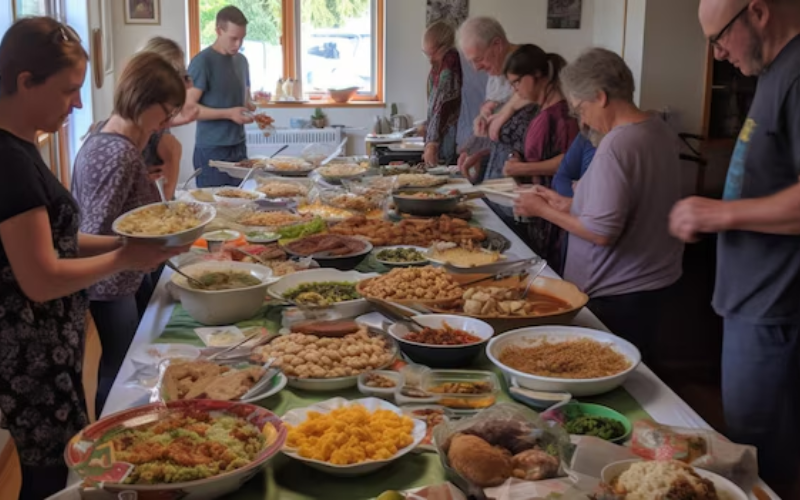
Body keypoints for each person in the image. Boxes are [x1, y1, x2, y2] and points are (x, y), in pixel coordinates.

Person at [0, 18, 185, 499]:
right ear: (25, 82)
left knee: (59, 466)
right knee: (48, 478)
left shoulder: (22, 147)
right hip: (30, 357)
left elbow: (63, 241)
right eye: (69, 90)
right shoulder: (9, 161)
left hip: (50, 350)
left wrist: (137, 248)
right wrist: (126, 258)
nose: (79, 104)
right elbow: (41, 278)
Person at [669, 0, 800, 485]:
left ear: (758, 12)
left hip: (775, 307)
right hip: (750, 300)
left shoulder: (796, 73)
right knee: (748, 445)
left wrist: (720, 213)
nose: (718, 54)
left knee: (762, 460)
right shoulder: (771, 72)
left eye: (718, 38)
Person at [514, 48, 684, 361]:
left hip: (617, 293)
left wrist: (542, 210)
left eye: (581, 109)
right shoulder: (658, 128)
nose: (583, 120)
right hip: (652, 284)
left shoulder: (617, 144)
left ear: (601, 96)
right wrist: (568, 204)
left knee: (608, 371)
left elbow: (602, 232)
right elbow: (631, 205)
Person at [72, 51, 186, 418]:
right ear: (142, 100)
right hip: (111, 283)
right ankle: (111, 430)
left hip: (119, 276)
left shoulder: (106, 134)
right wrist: (143, 244)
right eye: (165, 112)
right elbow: (91, 232)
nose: (167, 122)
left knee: (122, 363)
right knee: (120, 369)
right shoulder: (118, 154)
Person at [500, 45, 578, 272]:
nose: (515, 90)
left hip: (555, 212)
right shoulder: (540, 110)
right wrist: (516, 157)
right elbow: (531, 148)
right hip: (538, 211)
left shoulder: (562, 116)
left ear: (536, 75)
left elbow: (567, 161)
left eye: (516, 82)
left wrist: (522, 169)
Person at [187, 5, 255, 187]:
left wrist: (252, 110)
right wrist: (229, 114)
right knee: (214, 203)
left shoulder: (242, 61)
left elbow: (246, 101)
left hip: (239, 147)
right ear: (218, 31)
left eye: (242, 38)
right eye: (233, 38)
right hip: (212, 149)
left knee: (242, 201)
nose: (238, 44)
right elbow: (188, 108)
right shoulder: (202, 62)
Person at [456, 16, 526, 178]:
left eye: (478, 59)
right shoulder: (496, 69)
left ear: (497, 45)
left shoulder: (529, 64)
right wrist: (476, 147)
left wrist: (504, 113)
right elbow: (493, 114)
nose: (476, 68)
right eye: (471, 62)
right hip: (499, 166)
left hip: (524, 173)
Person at [139, 36, 199, 200]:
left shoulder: (149, 109)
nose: (189, 85)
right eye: (183, 76)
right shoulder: (163, 139)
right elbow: (165, 200)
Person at [422, 21, 463, 167]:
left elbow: (442, 105)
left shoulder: (450, 65)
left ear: (444, 47)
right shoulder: (439, 66)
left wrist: (432, 142)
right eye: (427, 54)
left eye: (433, 53)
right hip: (445, 137)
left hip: (451, 139)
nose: (431, 59)